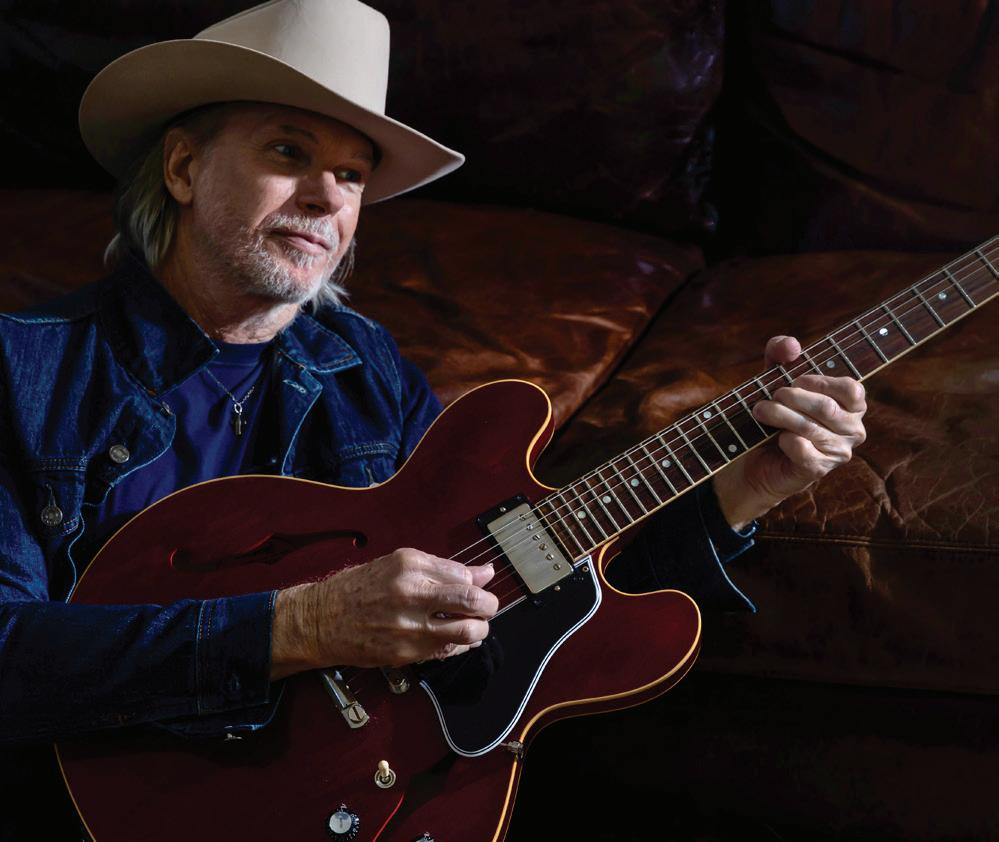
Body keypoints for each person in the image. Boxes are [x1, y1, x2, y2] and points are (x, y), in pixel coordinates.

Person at [0, 0, 867, 837]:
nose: (326, 197)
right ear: (183, 169)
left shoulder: (366, 371)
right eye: (288, 151)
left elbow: (511, 593)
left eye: (351, 175)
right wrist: (299, 626)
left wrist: (739, 490)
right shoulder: (22, 369)